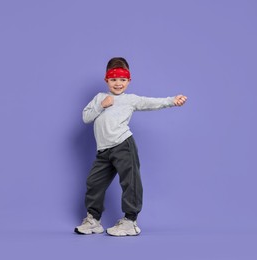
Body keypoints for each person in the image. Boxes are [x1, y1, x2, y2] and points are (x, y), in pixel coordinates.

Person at [74, 57, 187, 236]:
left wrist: (172, 100)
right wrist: (101, 106)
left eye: (122, 80)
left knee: (130, 182)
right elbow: (86, 117)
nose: (118, 84)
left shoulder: (131, 100)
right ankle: (93, 220)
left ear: (128, 81)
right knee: (93, 183)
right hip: (103, 151)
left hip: (123, 146)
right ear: (106, 80)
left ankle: (130, 221)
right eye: (113, 80)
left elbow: (152, 103)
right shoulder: (100, 98)